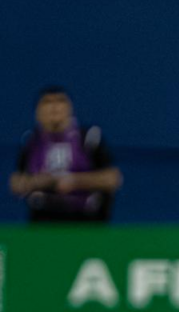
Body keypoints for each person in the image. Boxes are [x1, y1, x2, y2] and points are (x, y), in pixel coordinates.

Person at [9, 87, 122, 222]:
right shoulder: (31, 141)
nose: (54, 107)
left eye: (60, 101)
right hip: (43, 221)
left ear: (70, 108)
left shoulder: (89, 138)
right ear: (37, 111)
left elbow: (112, 178)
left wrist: (74, 181)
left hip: (86, 221)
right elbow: (16, 183)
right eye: (47, 102)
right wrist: (44, 182)